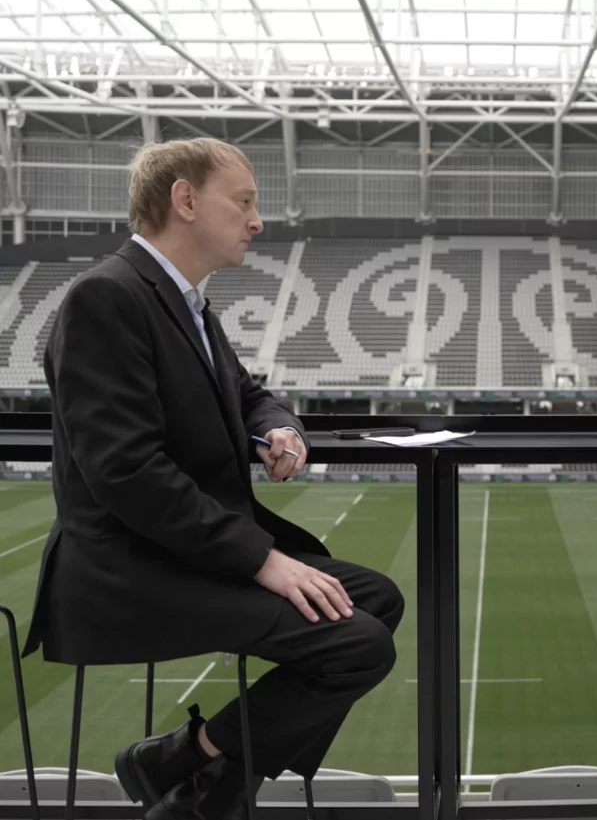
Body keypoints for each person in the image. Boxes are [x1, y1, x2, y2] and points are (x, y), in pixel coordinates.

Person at [23, 137, 404, 820]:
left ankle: (194, 765)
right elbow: (126, 471)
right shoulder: (106, 297)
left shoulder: (186, 303)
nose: (257, 221)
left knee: (377, 599)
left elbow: (249, 394)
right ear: (186, 200)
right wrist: (263, 560)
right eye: (244, 202)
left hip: (179, 553)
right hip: (128, 567)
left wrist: (280, 428)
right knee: (358, 641)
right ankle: (206, 787)